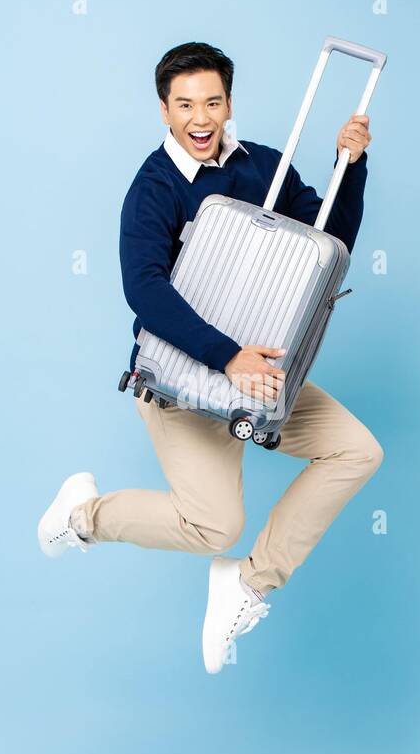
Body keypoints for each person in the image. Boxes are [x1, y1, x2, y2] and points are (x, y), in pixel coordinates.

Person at [38, 41, 382, 674]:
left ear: (229, 104)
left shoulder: (261, 168)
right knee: (215, 526)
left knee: (357, 450)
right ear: (164, 111)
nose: (201, 118)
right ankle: (81, 516)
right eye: (185, 104)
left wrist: (349, 163)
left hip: (259, 372)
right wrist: (228, 358)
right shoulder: (154, 188)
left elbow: (331, 241)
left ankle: (249, 585)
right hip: (181, 382)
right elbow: (143, 290)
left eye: (213, 102)